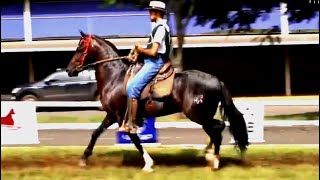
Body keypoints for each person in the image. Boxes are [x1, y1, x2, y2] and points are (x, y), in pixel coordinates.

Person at [119, 1, 172, 133]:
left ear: (156, 12)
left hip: (155, 62)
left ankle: (133, 124)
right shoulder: (158, 27)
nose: (149, 14)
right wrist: (138, 51)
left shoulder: (160, 29)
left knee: (133, 87)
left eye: (150, 11)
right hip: (151, 61)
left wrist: (139, 49)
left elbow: (154, 51)